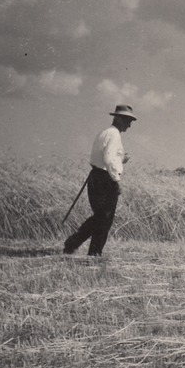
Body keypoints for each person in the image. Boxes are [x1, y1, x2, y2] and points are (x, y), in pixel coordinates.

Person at [64, 105, 137, 256]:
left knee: (100, 216)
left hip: (96, 176)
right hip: (105, 179)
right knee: (105, 218)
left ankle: (75, 243)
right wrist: (116, 180)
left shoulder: (104, 133)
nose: (129, 125)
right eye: (127, 120)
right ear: (117, 118)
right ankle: (92, 252)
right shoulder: (115, 135)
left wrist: (122, 158)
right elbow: (109, 159)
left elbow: (105, 156)